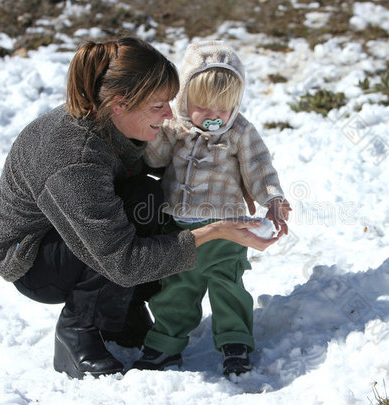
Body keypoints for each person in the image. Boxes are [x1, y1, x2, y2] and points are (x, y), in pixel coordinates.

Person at [0, 37, 277, 380]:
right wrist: (215, 231)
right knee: (121, 232)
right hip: (33, 259)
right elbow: (122, 260)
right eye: (159, 106)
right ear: (121, 104)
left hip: (74, 230)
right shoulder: (73, 158)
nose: (170, 114)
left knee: (148, 197)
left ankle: (121, 314)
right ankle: (78, 331)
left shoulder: (111, 120)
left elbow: (163, 170)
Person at [137, 40, 291, 376]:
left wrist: (273, 200)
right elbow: (156, 159)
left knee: (229, 286)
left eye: (223, 108)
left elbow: (259, 167)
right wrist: (157, 136)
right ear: (185, 100)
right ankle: (165, 343)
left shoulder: (239, 131)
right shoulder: (176, 129)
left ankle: (235, 341)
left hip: (228, 230)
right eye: (204, 108)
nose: (214, 117)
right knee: (176, 288)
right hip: (180, 231)